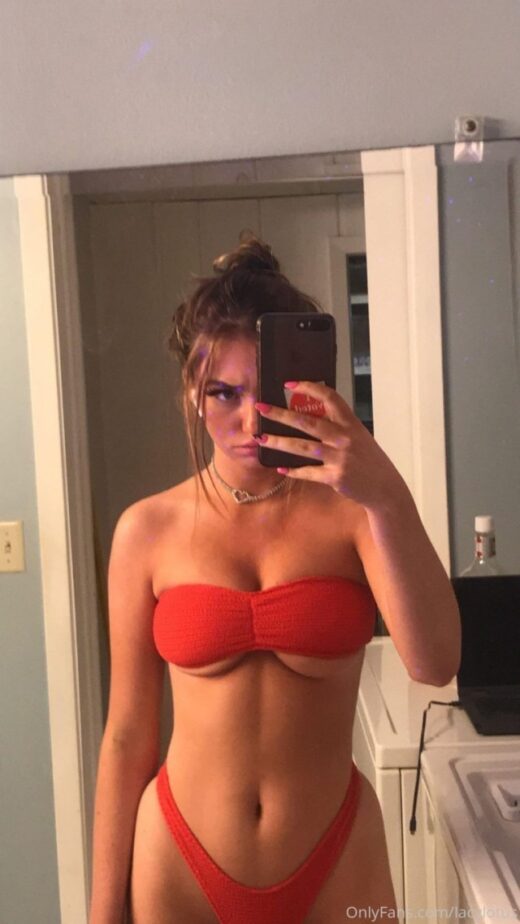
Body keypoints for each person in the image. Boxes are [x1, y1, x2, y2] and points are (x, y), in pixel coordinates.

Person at [88, 231, 461, 924]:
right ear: (190, 392)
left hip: (338, 859)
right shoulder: (146, 531)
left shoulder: (356, 515)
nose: (246, 418)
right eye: (221, 392)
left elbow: (436, 664)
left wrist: (386, 493)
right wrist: (101, 914)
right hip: (178, 862)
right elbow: (127, 735)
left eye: (266, 393)